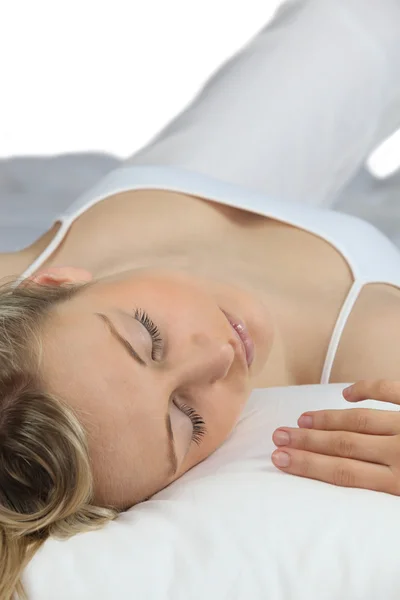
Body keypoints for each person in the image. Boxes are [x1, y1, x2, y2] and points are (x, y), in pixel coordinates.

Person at [1, 1, 400, 598]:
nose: (217, 356)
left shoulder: (19, 279)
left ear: (52, 282)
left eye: (147, 336)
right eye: (185, 419)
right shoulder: (374, 365)